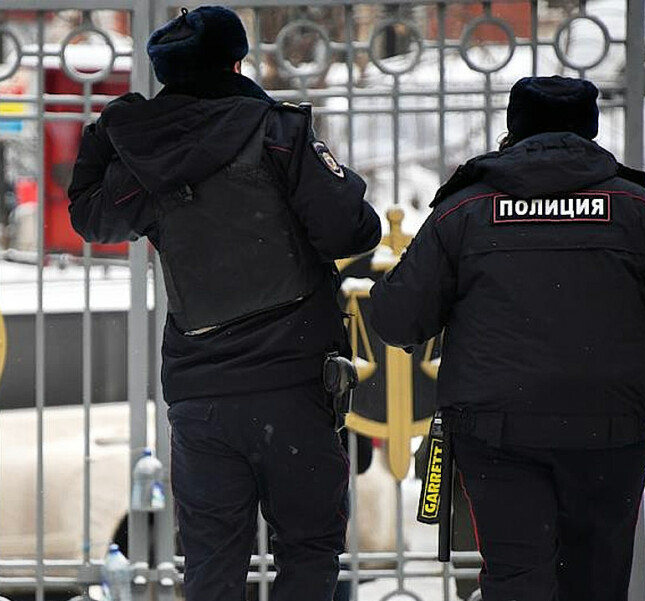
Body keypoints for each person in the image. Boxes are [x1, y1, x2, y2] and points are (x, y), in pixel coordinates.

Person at [369, 75, 645, 601]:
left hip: (497, 431)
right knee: (596, 580)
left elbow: (397, 318)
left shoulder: (465, 211)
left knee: (516, 580)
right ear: (590, 129)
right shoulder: (637, 210)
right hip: (611, 430)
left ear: (513, 129)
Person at [66, 6, 381, 600]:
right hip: (292, 385)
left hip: (202, 395)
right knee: (309, 550)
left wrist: (108, 133)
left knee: (212, 562)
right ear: (237, 62)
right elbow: (355, 231)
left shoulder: (145, 155)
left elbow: (89, 215)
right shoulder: (277, 134)